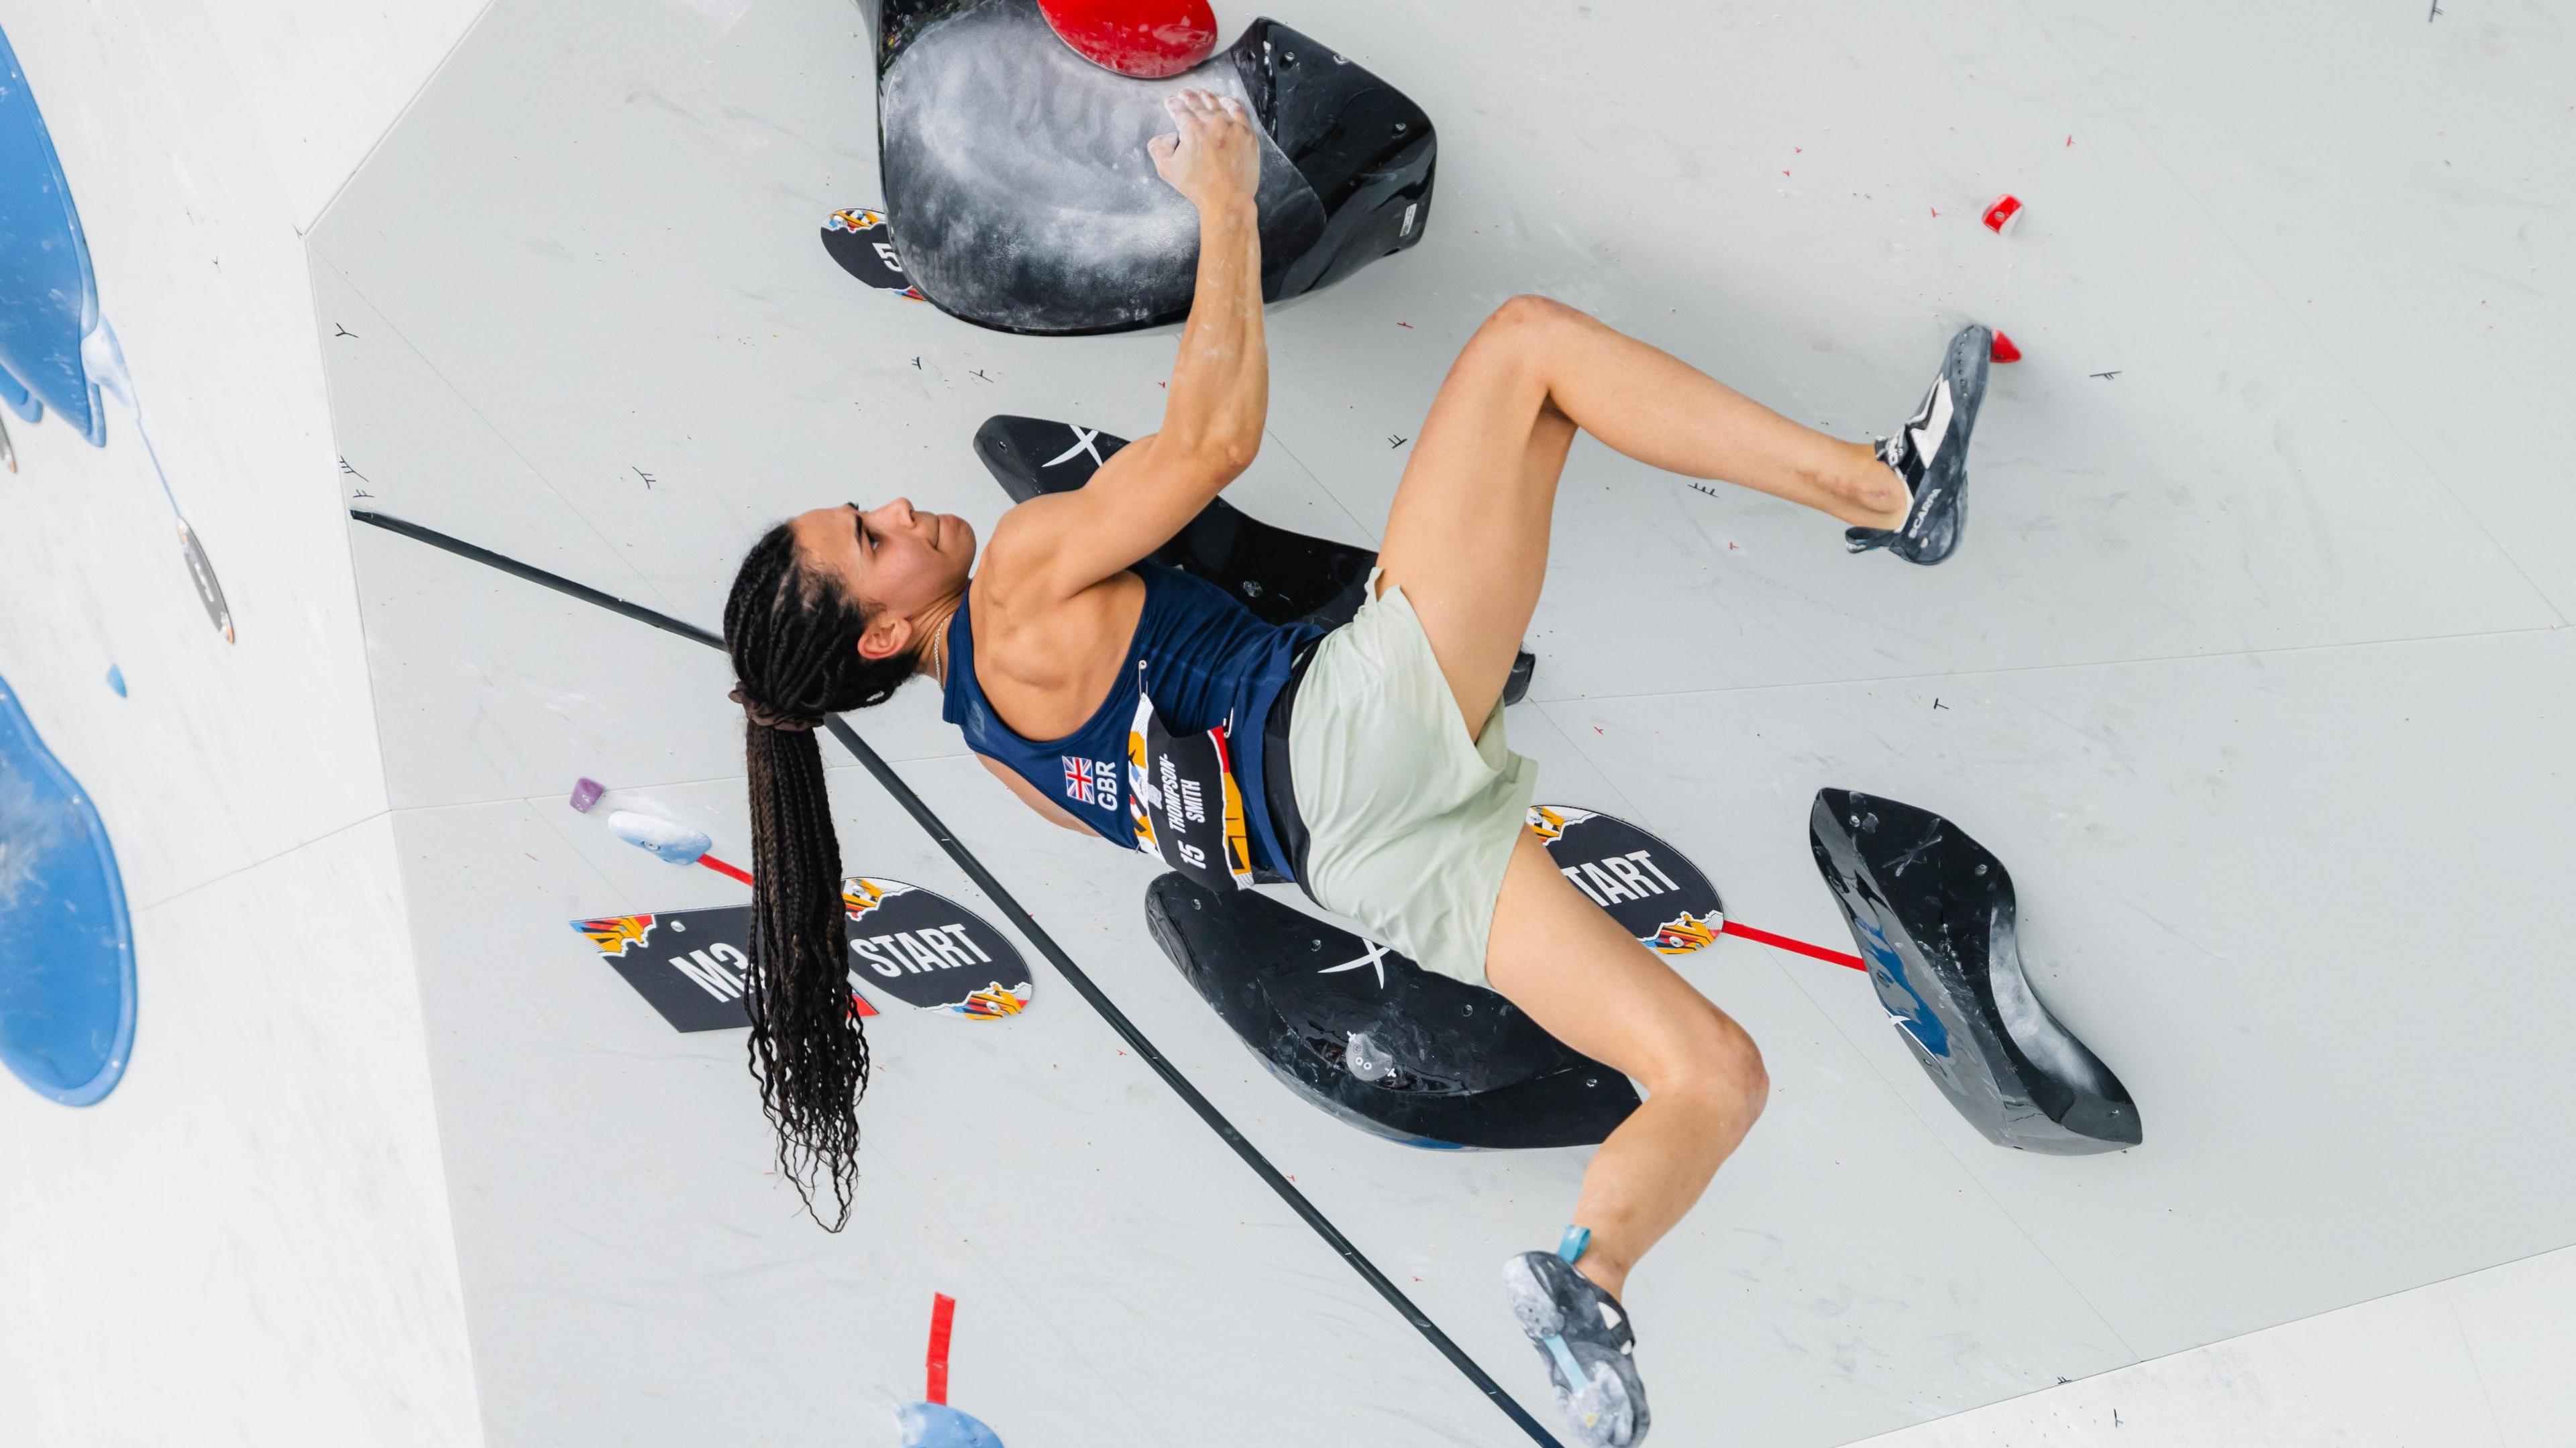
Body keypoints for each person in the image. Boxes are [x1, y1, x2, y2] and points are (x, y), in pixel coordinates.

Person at [722, 89, 1989, 1448]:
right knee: (1525, 350)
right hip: (1348, 746)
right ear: (887, 625)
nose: (900, 508)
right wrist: (1220, 198)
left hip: (1371, 862)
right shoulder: (1017, 577)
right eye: (870, 532)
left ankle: (1589, 1280)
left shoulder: (994, 752)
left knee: (1713, 1075)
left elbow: (1185, 798)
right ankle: (1885, 491)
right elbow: (1211, 445)